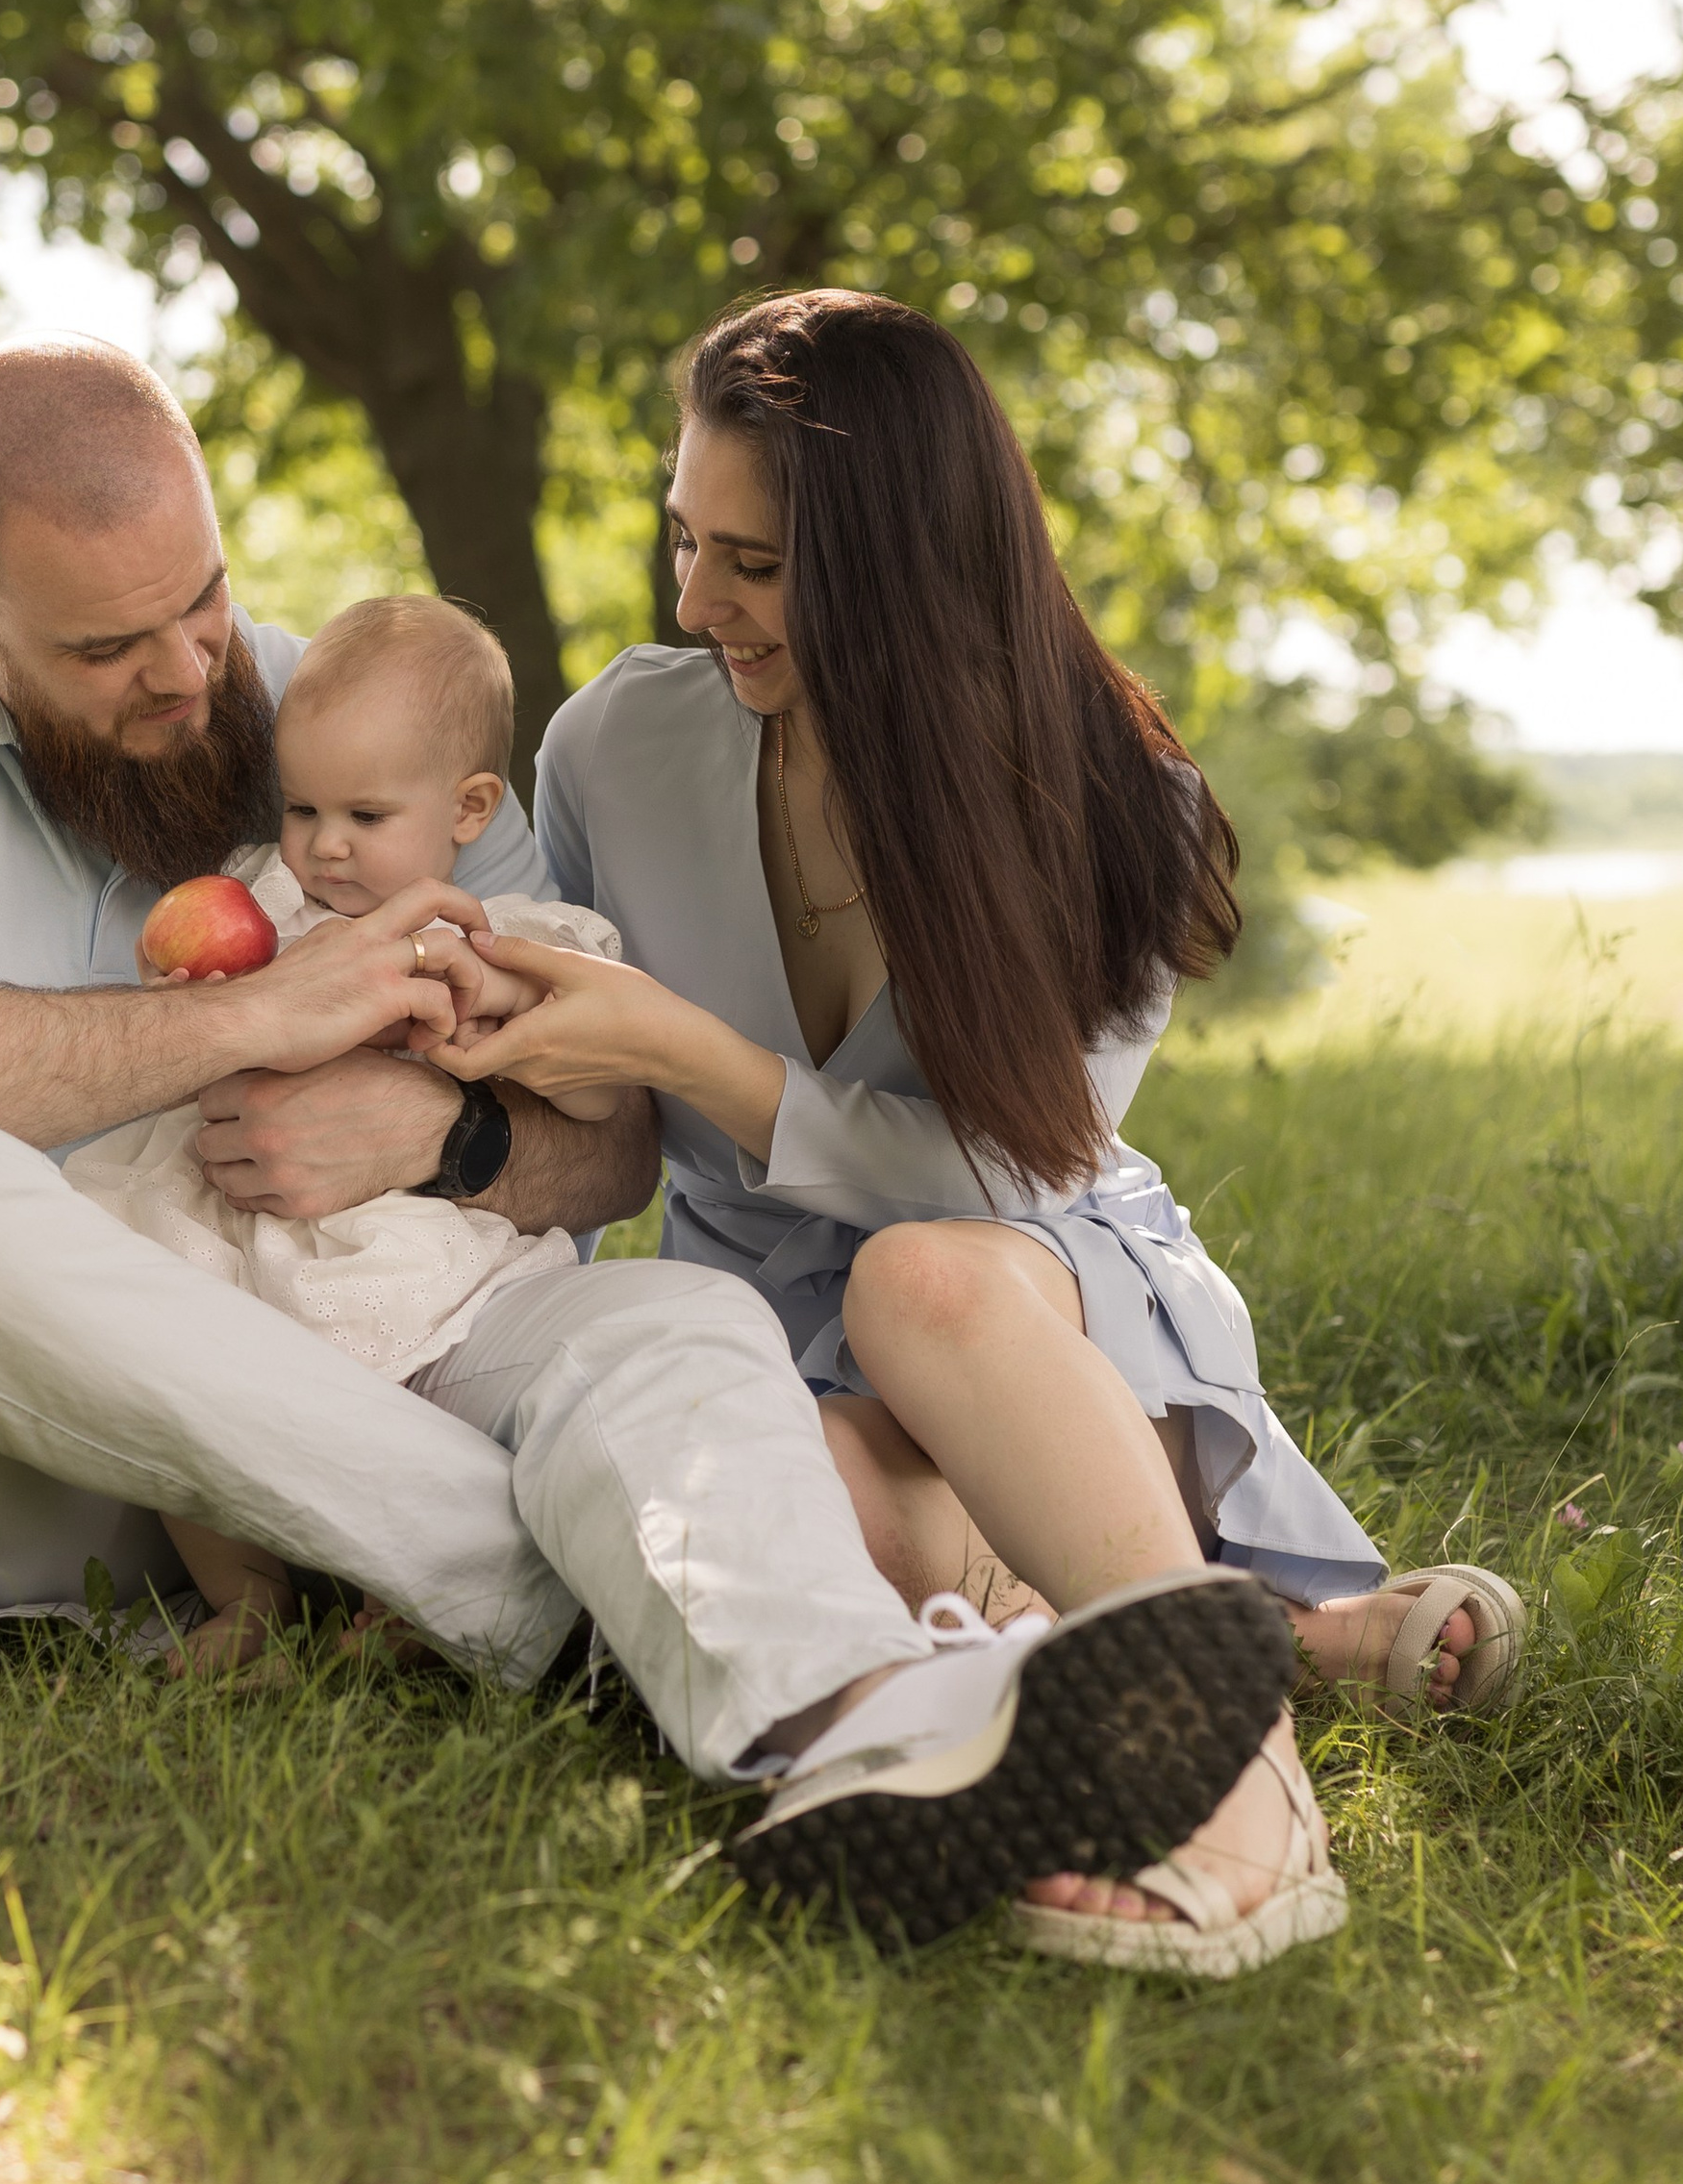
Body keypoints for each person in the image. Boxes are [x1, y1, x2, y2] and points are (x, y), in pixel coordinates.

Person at [0, 334, 1294, 1945]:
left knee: (672, 1313)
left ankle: (864, 1713)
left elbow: (595, 1154)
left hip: (358, 1376)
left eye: (205, 598)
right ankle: (580, 1598)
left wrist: (448, 1138)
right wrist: (246, 1021)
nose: (191, 674)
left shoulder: (344, 724)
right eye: (114, 645)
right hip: (28, 1471)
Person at [432, 290, 1523, 1978]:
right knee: (754, 1514)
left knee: (918, 1289)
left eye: (757, 563)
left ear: (898, 564)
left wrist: (703, 1058)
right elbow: (594, 1133)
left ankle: (1253, 1795)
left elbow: (1012, 1175)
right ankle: (1262, 1630)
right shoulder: (614, 746)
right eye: (683, 539)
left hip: (1035, 1306)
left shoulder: (1110, 806)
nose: (694, 601)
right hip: (784, 1351)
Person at [64, 593, 627, 1668]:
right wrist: (180, 987)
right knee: (175, 1367)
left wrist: (504, 1016)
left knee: (419, 1397)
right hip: (236, 1221)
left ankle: (407, 1597)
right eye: (300, 810)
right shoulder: (263, 905)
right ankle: (248, 1596)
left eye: (364, 818)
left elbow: (601, 1096)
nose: (323, 848)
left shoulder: (510, 944)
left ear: (468, 809)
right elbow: (201, 1025)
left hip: (393, 1240)